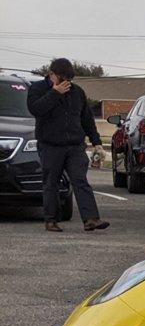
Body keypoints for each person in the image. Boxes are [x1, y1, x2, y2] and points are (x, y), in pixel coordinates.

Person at [26, 58, 109, 233]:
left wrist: (97, 143)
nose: (66, 83)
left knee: (80, 180)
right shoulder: (38, 89)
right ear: (52, 75)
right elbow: (35, 109)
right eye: (62, 79)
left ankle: (91, 219)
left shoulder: (77, 92)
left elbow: (86, 118)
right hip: (50, 145)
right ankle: (51, 220)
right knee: (51, 183)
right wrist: (55, 93)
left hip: (74, 145)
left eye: (69, 80)